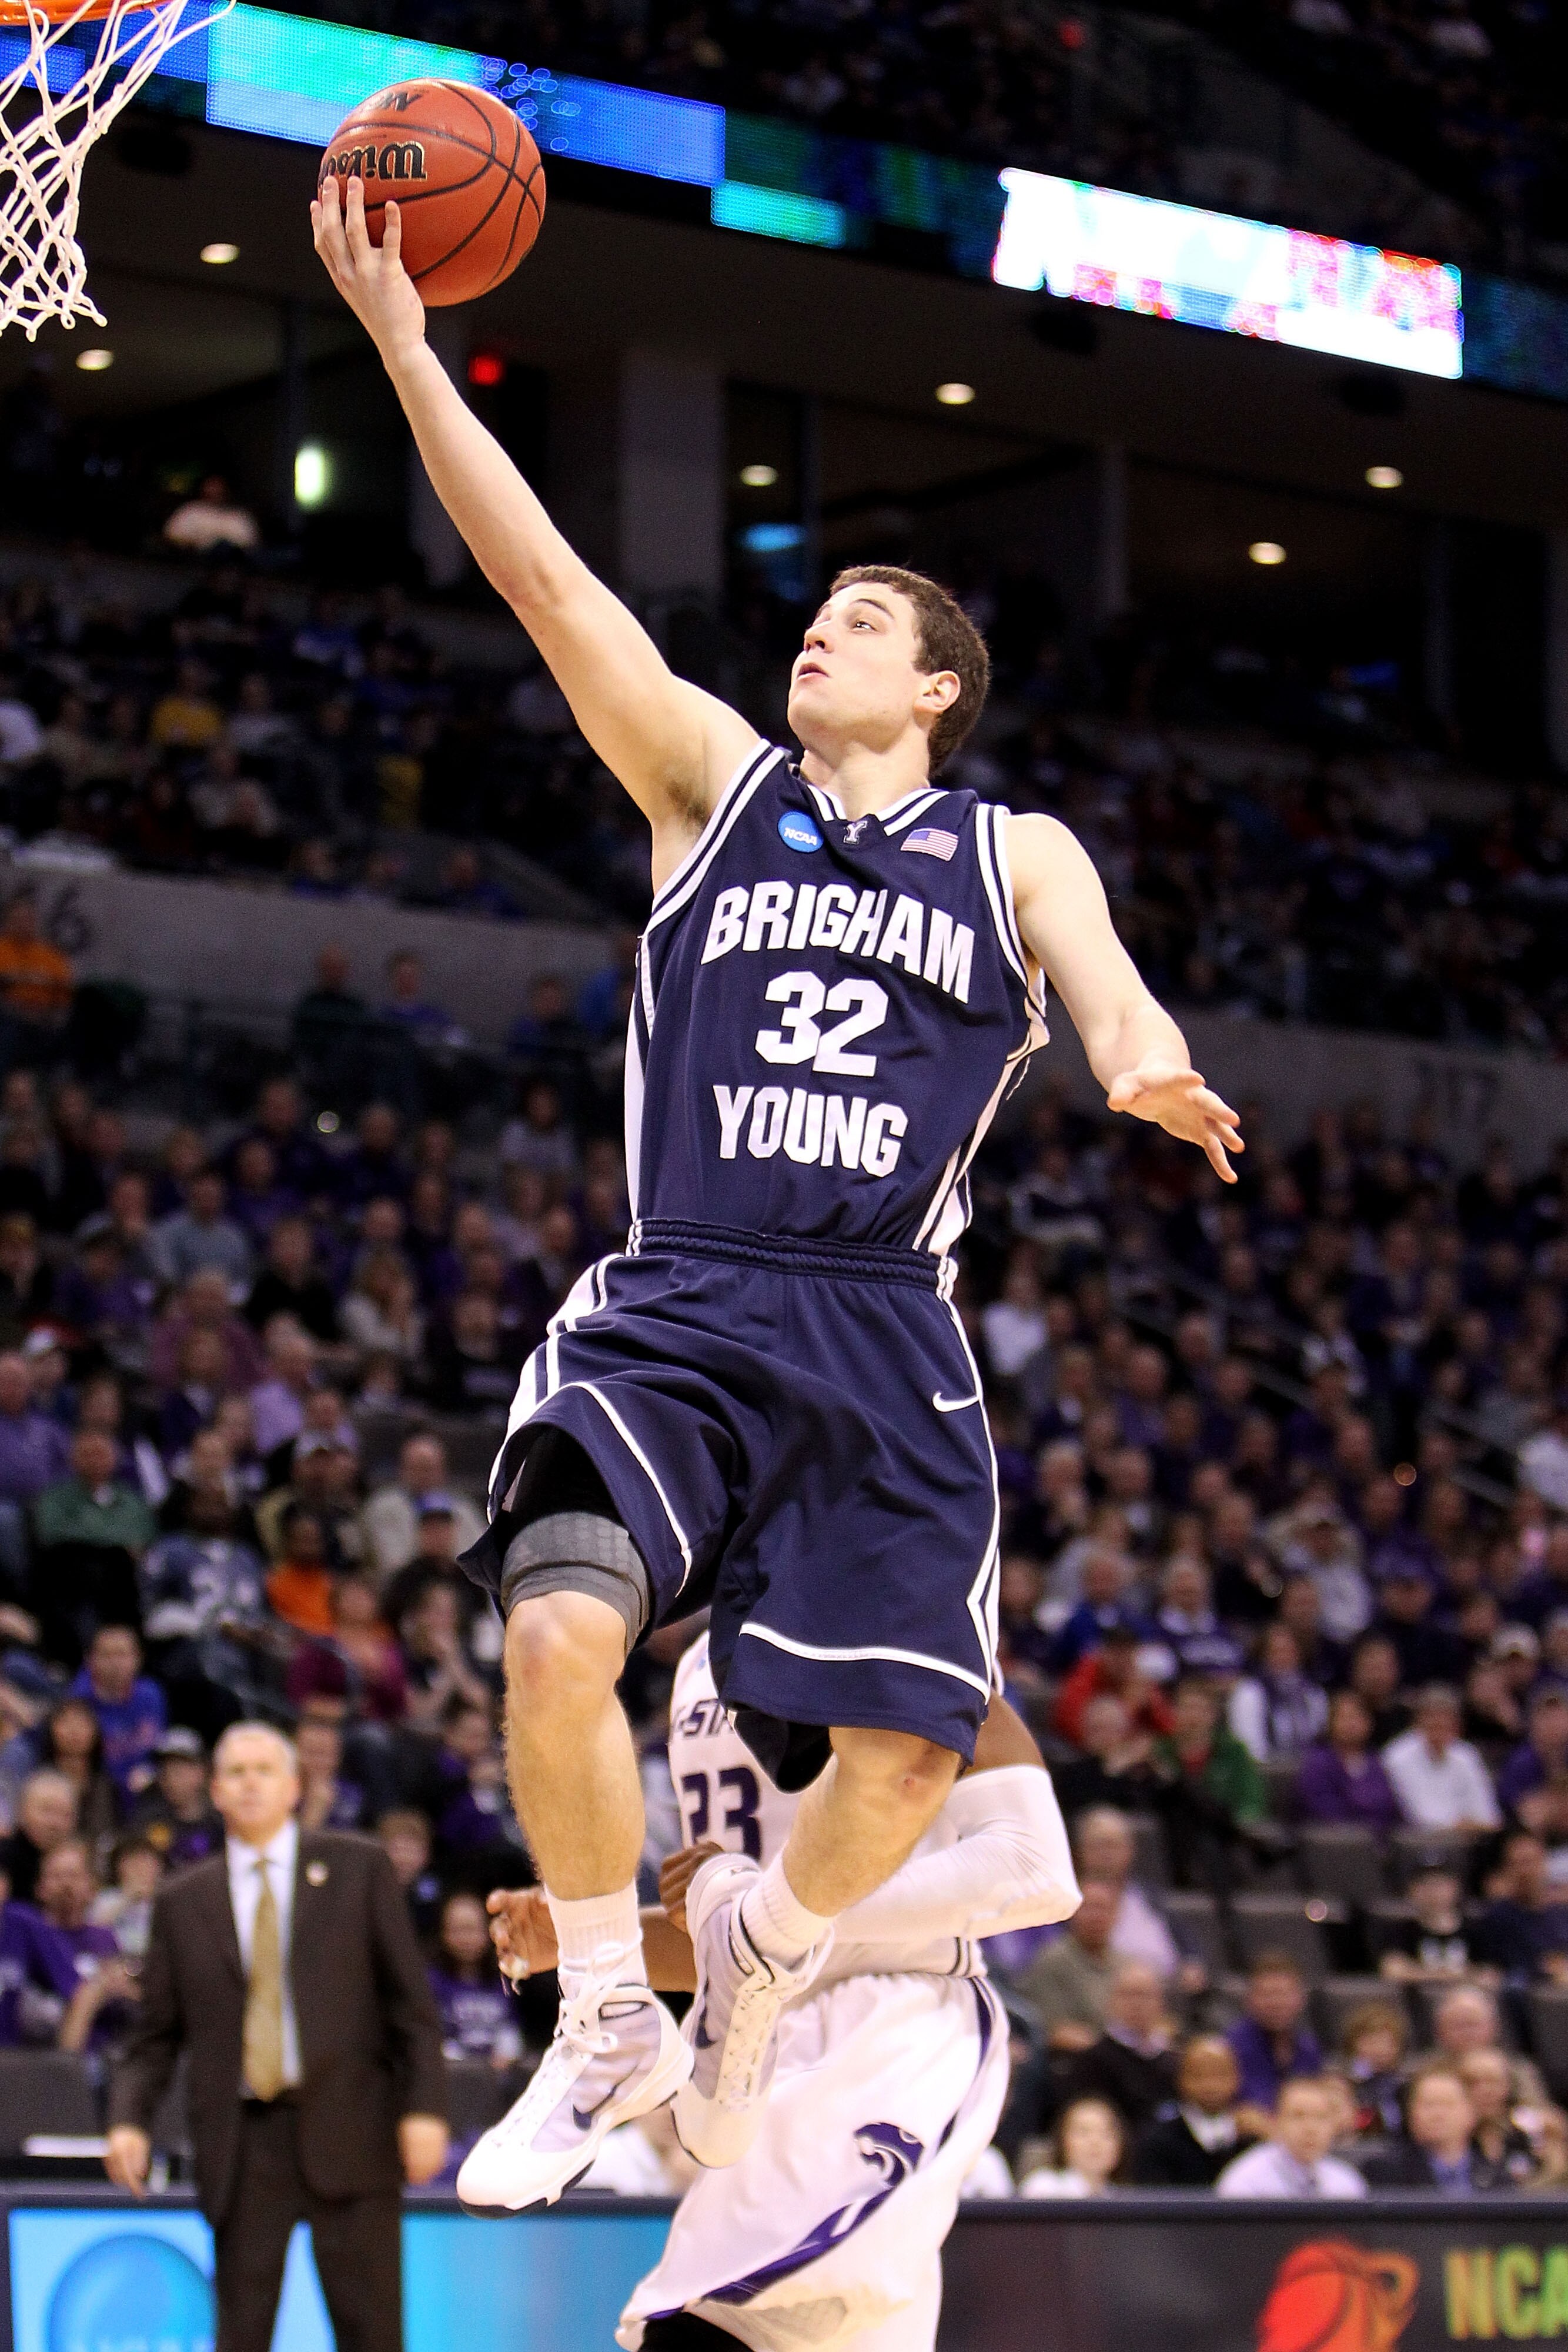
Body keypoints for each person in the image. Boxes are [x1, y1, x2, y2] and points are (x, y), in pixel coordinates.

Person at [313, 168, 1242, 2208]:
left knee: (907, 1765)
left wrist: (1146, 1068)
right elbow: (552, 584)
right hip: (680, 1301)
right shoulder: (706, 790)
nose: (822, 627)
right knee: (556, 1646)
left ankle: (759, 1960)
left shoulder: (1009, 852)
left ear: (932, 693)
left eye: (868, 625)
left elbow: (1107, 998)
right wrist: (398, 340)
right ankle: (596, 2024)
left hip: (878, 1334)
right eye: (816, 613)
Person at [485, 1629, 1079, 2347]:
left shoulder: (897, 1613)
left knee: (715, 2308)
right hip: (757, 2037)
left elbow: (1034, 1869)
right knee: (772, 2316)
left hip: (894, 2023)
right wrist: (584, 1938)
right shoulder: (696, 1667)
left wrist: (769, 1916)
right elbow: (723, 1937)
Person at [106, 1723, 448, 2352]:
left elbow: (413, 2008)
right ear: (215, 1791)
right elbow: (153, 2036)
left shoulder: (358, 1867)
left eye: (265, 1768)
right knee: (242, 2335)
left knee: (372, 2333)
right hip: (242, 2142)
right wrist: (129, 2118)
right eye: (235, 1771)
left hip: (351, 2127)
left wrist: (424, 2108)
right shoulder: (183, 1900)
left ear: (294, 1786)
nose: (250, 1781)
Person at [1361, 2063, 1510, 2193]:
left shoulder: (1498, 2177)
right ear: (1410, 2114)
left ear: (1471, 2113)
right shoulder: (1385, 2173)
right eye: (1428, 2105)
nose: (1437, 2115)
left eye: (1447, 2104)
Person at [1131, 2034, 1257, 2187]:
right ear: (1181, 2080)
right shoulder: (1157, 2142)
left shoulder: (1252, 2140)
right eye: (1199, 2076)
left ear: (1237, 2079)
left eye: (1219, 2075)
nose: (1210, 2085)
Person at [1215, 2076, 1368, 2198]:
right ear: (1277, 2122)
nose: (1310, 2128)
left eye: (1321, 2117)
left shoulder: (1347, 2182)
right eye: (1298, 2116)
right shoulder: (1246, 2183)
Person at [1383, 1685, 1502, 1832]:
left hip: (1470, 1841)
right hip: (1419, 1843)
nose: (1439, 1726)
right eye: (1432, 1719)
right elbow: (1419, 1817)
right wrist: (1460, 1826)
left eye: (1446, 1720)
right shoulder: (1398, 1756)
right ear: (1418, 1722)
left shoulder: (1467, 1755)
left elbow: (1489, 1817)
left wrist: (1474, 1825)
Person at [1226, 1952, 1324, 2112]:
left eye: (1284, 1994)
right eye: (1267, 1995)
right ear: (1249, 2000)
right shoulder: (1230, 2048)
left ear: (1301, 1998)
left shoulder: (1309, 2047)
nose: (1276, 2003)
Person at [1018, 2098, 1124, 2198]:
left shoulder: (1121, 2197)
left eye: (1106, 2133)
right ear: (1063, 2140)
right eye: (1084, 2132)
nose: (1095, 2142)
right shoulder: (1044, 2187)